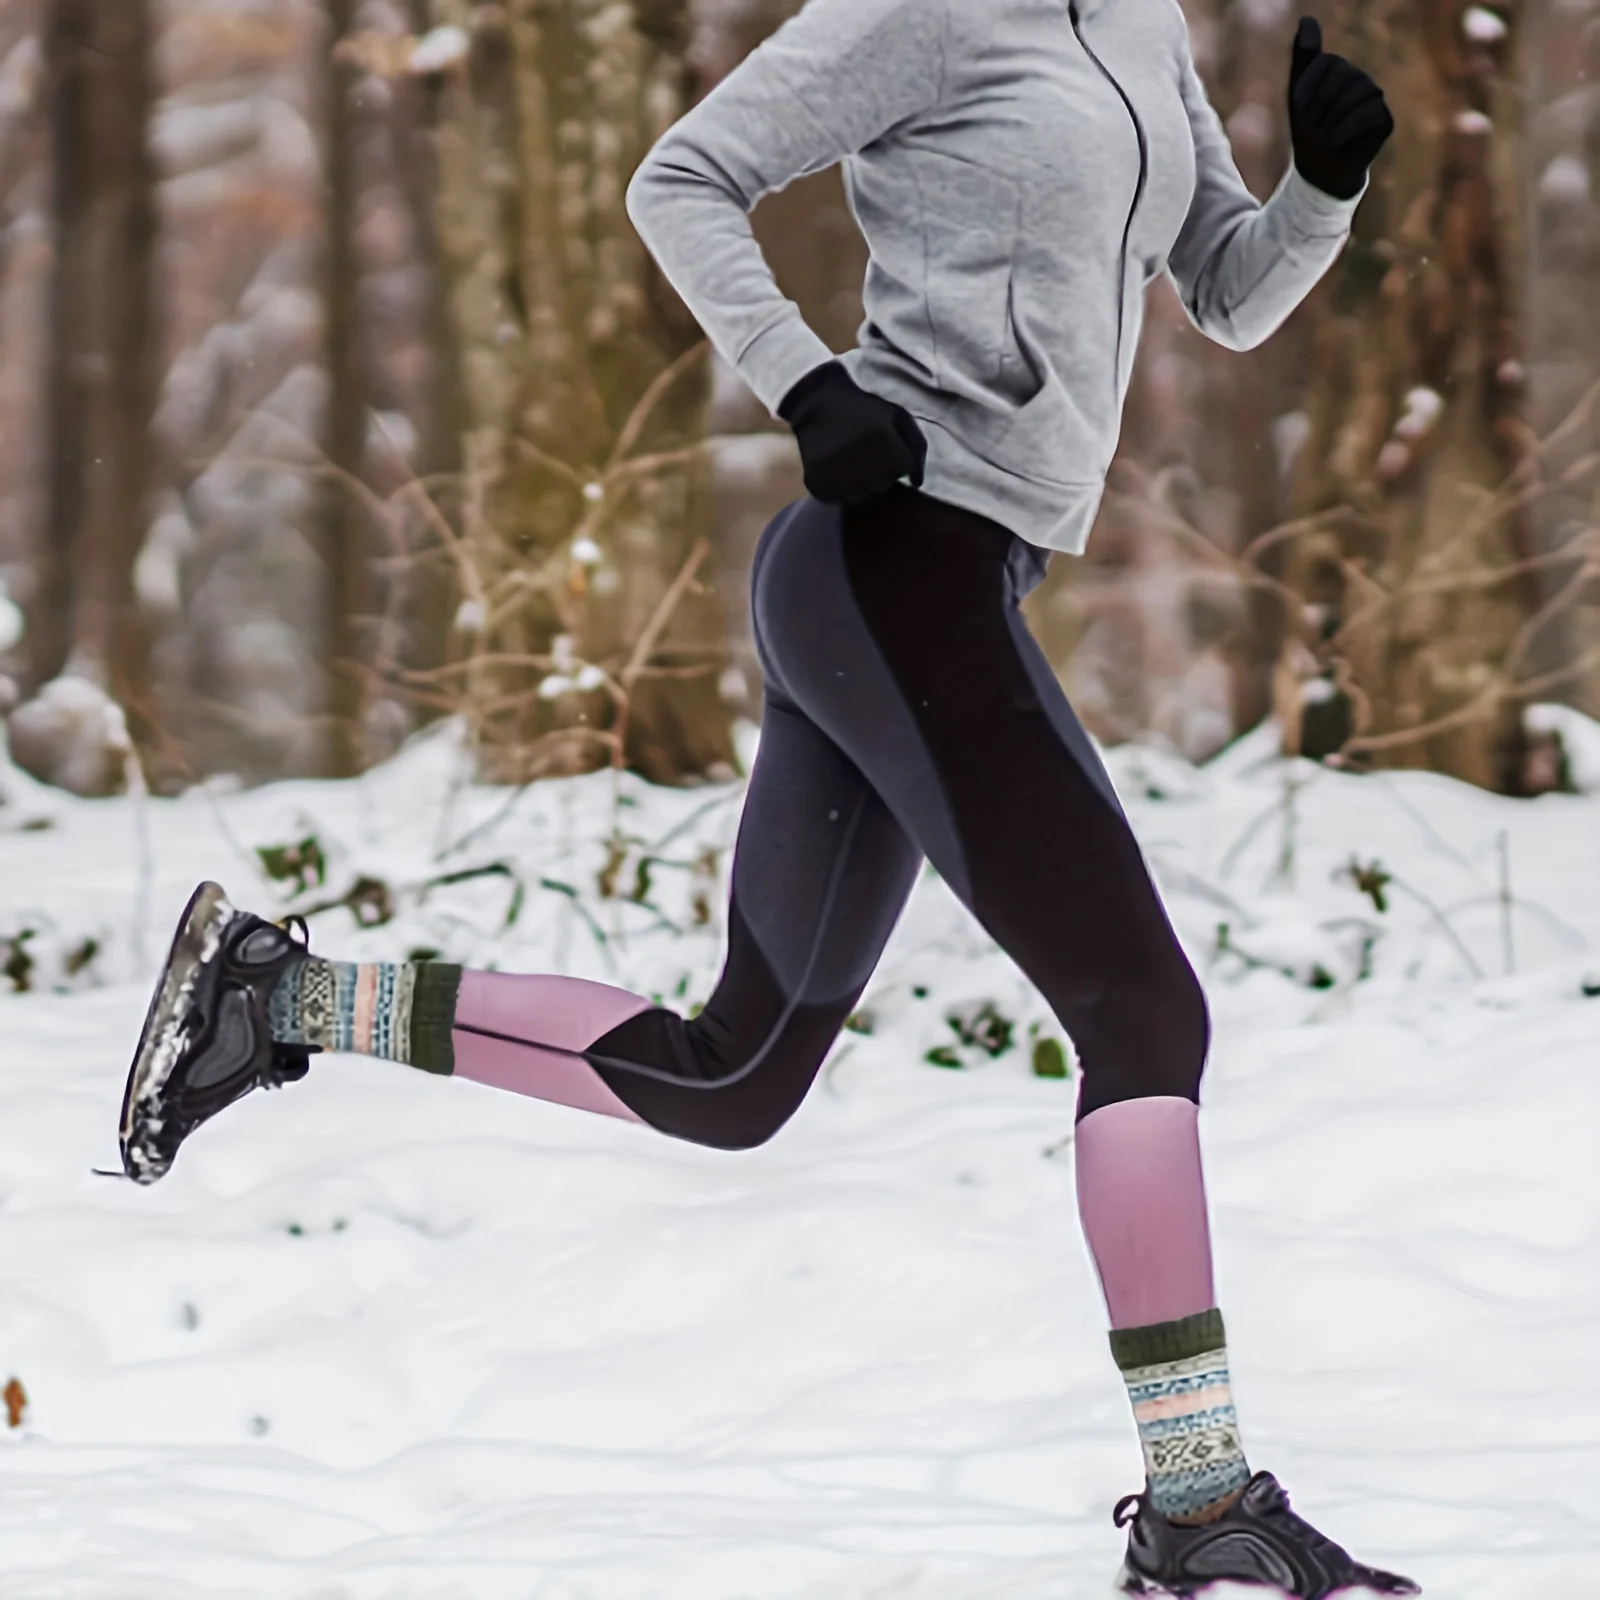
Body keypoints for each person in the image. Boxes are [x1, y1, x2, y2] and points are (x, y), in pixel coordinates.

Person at [117, 2, 1413, 1593]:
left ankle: (285, 995)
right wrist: (806, 385)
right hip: (895, 550)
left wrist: (1324, 192)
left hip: (950, 578)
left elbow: (1224, 291)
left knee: (734, 1079)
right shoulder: (926, 12)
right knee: (1145, 1018)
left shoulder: (1141, 23)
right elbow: (682, 175)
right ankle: (1201, 1509)